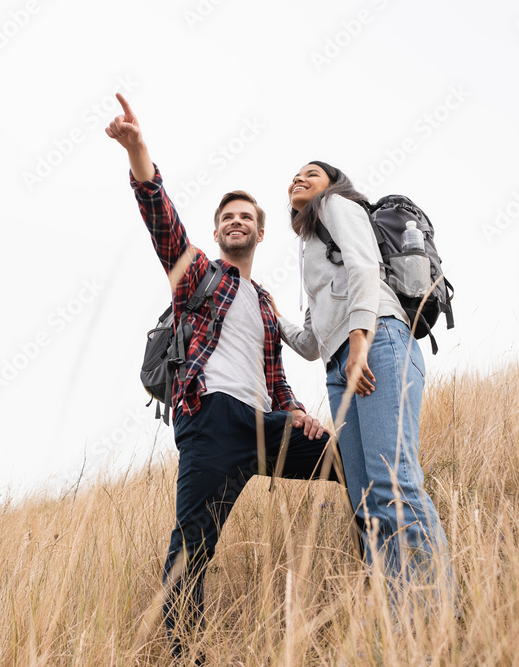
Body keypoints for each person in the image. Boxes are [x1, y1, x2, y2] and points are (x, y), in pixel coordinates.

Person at [105, 96, 346, 656]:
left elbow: (273, 374)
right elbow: (161, 222)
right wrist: (139, 150)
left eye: (246, 218)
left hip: (265, 421)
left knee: (349, 462)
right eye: (227, 218)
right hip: (210, 419)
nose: (237, 222)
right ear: (217, 234)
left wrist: (299, 414)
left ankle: (386, 570)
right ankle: (187, 653)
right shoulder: (198, 278)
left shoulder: (263, 302)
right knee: (193, 546)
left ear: (260, 235)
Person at [278, 161, 454, 608]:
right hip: (340, 364)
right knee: (365, 502)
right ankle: (400, 622)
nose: (299, 178)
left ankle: (434, 613)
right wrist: (269, 311)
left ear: (332, 184)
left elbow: (364, 266)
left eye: (311, 173)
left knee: (392, 483)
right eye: (294, 174)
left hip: (377, 343)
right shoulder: (311, 248)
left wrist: (359, 339)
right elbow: (311, 343)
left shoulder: (337, 204)